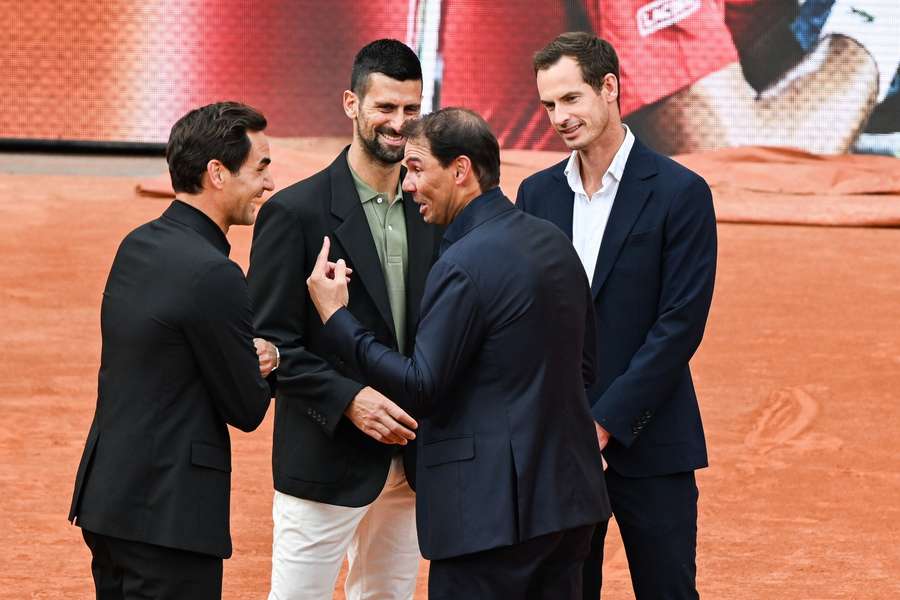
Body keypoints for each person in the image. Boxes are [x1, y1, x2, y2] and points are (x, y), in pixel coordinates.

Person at [306, 107, 611, 599]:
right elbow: (585, 366)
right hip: (569, 502)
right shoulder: (552, 242)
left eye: (418, 167)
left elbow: (420, 387)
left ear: (461, 170)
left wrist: (339, 320)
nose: (408, 184)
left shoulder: (463, 262)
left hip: (489, 519)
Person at [517, 32, 717, 599]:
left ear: (610, 88)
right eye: (549, 105)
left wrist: (602, 425)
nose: (560, 117)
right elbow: (528, 318)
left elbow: (679, 326)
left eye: (571, 99)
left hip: (650, 440)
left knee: (667, 590)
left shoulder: (682, 193)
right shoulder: (536, 195)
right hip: (559, 445)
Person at [247, 39, 442, 600]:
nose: (399, 123)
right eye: (385, 107)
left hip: (411, 459)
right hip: (324, 457)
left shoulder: (433, 210)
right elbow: (270, 344)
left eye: (411, 109)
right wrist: (350, 400)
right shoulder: (295, 213)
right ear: (351, 104)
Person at [68, 101, 277, 599]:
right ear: (218, 174)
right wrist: (270, 359)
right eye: (261, 167)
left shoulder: (136, 244)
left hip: (109, 503)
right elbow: (246, 407)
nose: (268, 183)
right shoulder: (215, 273)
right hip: (169, 521)